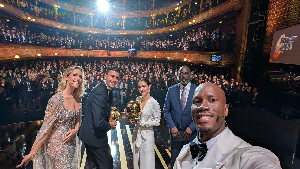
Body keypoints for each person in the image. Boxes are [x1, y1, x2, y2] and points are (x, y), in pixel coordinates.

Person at [174, 82, 281, 169]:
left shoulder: (245, 155)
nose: (203, 106)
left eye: (212, 100)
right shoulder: (186, 150)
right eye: (197, 101)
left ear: (225, 110)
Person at [17, 66, 85, 168]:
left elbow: (78, 120)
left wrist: (75, 129)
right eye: (74, 75)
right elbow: (46, 128)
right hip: (57, 145)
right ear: (66, 77)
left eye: (80, 76)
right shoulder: (56, 99)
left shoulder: (78, 99)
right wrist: (32, 153)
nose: (78, 78)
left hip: (71, 144)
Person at [78, 67, 120, 169]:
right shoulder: (101, 92)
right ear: (105, 76)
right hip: (95, 137)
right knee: (106, 164)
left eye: (117, 78)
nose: (114, 80)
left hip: (89, 135)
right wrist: (110, 124)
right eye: (112, 76)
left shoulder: (102, 88)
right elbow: (98, 122)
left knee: (93, 165)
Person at [163, 66, 197, 167]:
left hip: (192, 136)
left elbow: (200, 112)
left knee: (190, 164)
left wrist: (191, 127)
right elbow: (166, 110)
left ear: (190, 75)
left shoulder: (197, 90)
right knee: (175, 163)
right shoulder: (171, 90)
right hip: (176, 136)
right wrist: (172, 127)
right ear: (178, 75)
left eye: (186, 73)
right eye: (181, 73)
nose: (183, 76)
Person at [130, 79, 161, 169]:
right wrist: (131, 116)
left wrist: (143, 123)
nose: (141, 89)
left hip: (147, 136)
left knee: (147, 162)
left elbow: (157, 122)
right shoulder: (138, 100)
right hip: (137, 134)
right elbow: (137, 116)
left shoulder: (154, 103)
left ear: (149, 86)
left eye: (144, 86)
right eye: (139, 87)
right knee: (137, 161)